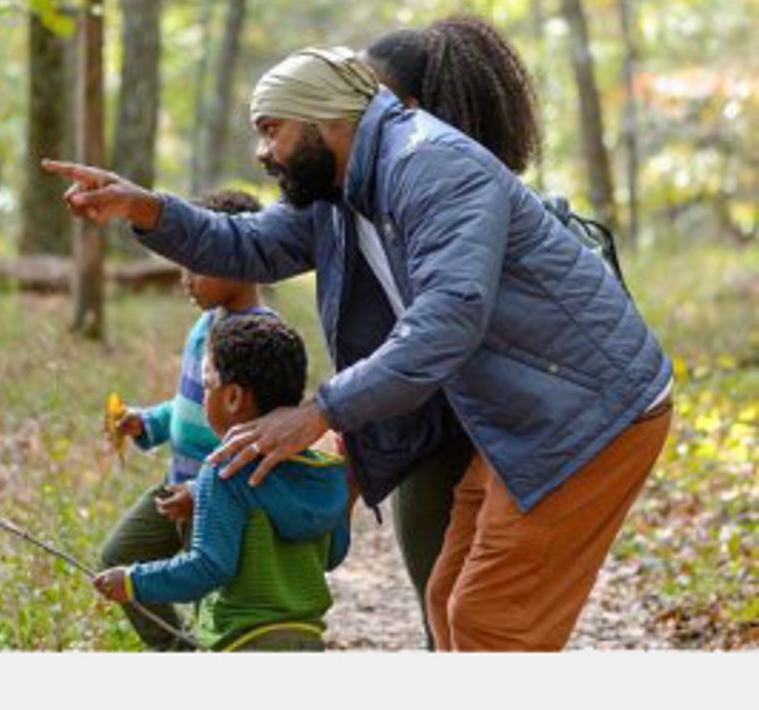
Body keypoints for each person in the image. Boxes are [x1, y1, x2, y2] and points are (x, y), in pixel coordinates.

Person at [45, 43, 673, 651]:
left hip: (589, 405)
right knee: (449, 599)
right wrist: (146, 208)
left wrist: (319, 413)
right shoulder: (340, 188)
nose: (263, 153)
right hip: (524, 409)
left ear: (327, 121)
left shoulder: (431, 164)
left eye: (272, 131)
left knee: (491, 622)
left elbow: (448, 319)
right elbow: (247, 246)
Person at [360, 17, 542, 648]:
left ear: (407, 109)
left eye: (368, 96)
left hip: (474, 425)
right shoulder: (382, 194)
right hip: (465, 420)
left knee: (464, 612)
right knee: (457, 609)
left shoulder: (448, 190)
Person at [94, 314, 349, 651]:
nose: (201, 397)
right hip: (307, 638)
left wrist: (131, 582)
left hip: (242, 639)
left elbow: (209, 567)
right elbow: (332, 554)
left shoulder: (224, 472)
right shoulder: (323, 470)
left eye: (206, 384)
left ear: (232, 398)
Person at [100, 189, 277, 650]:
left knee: (211, 598)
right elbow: (192, 404)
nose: (185, 279)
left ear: (239, 257)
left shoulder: (259, 338)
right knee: (119, 555)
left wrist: (204, 492)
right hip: (174, 482)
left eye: (196, 265)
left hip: (222, 498)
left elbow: (261, 438)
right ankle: (180, 653)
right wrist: (149, 423)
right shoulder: (207, 322)